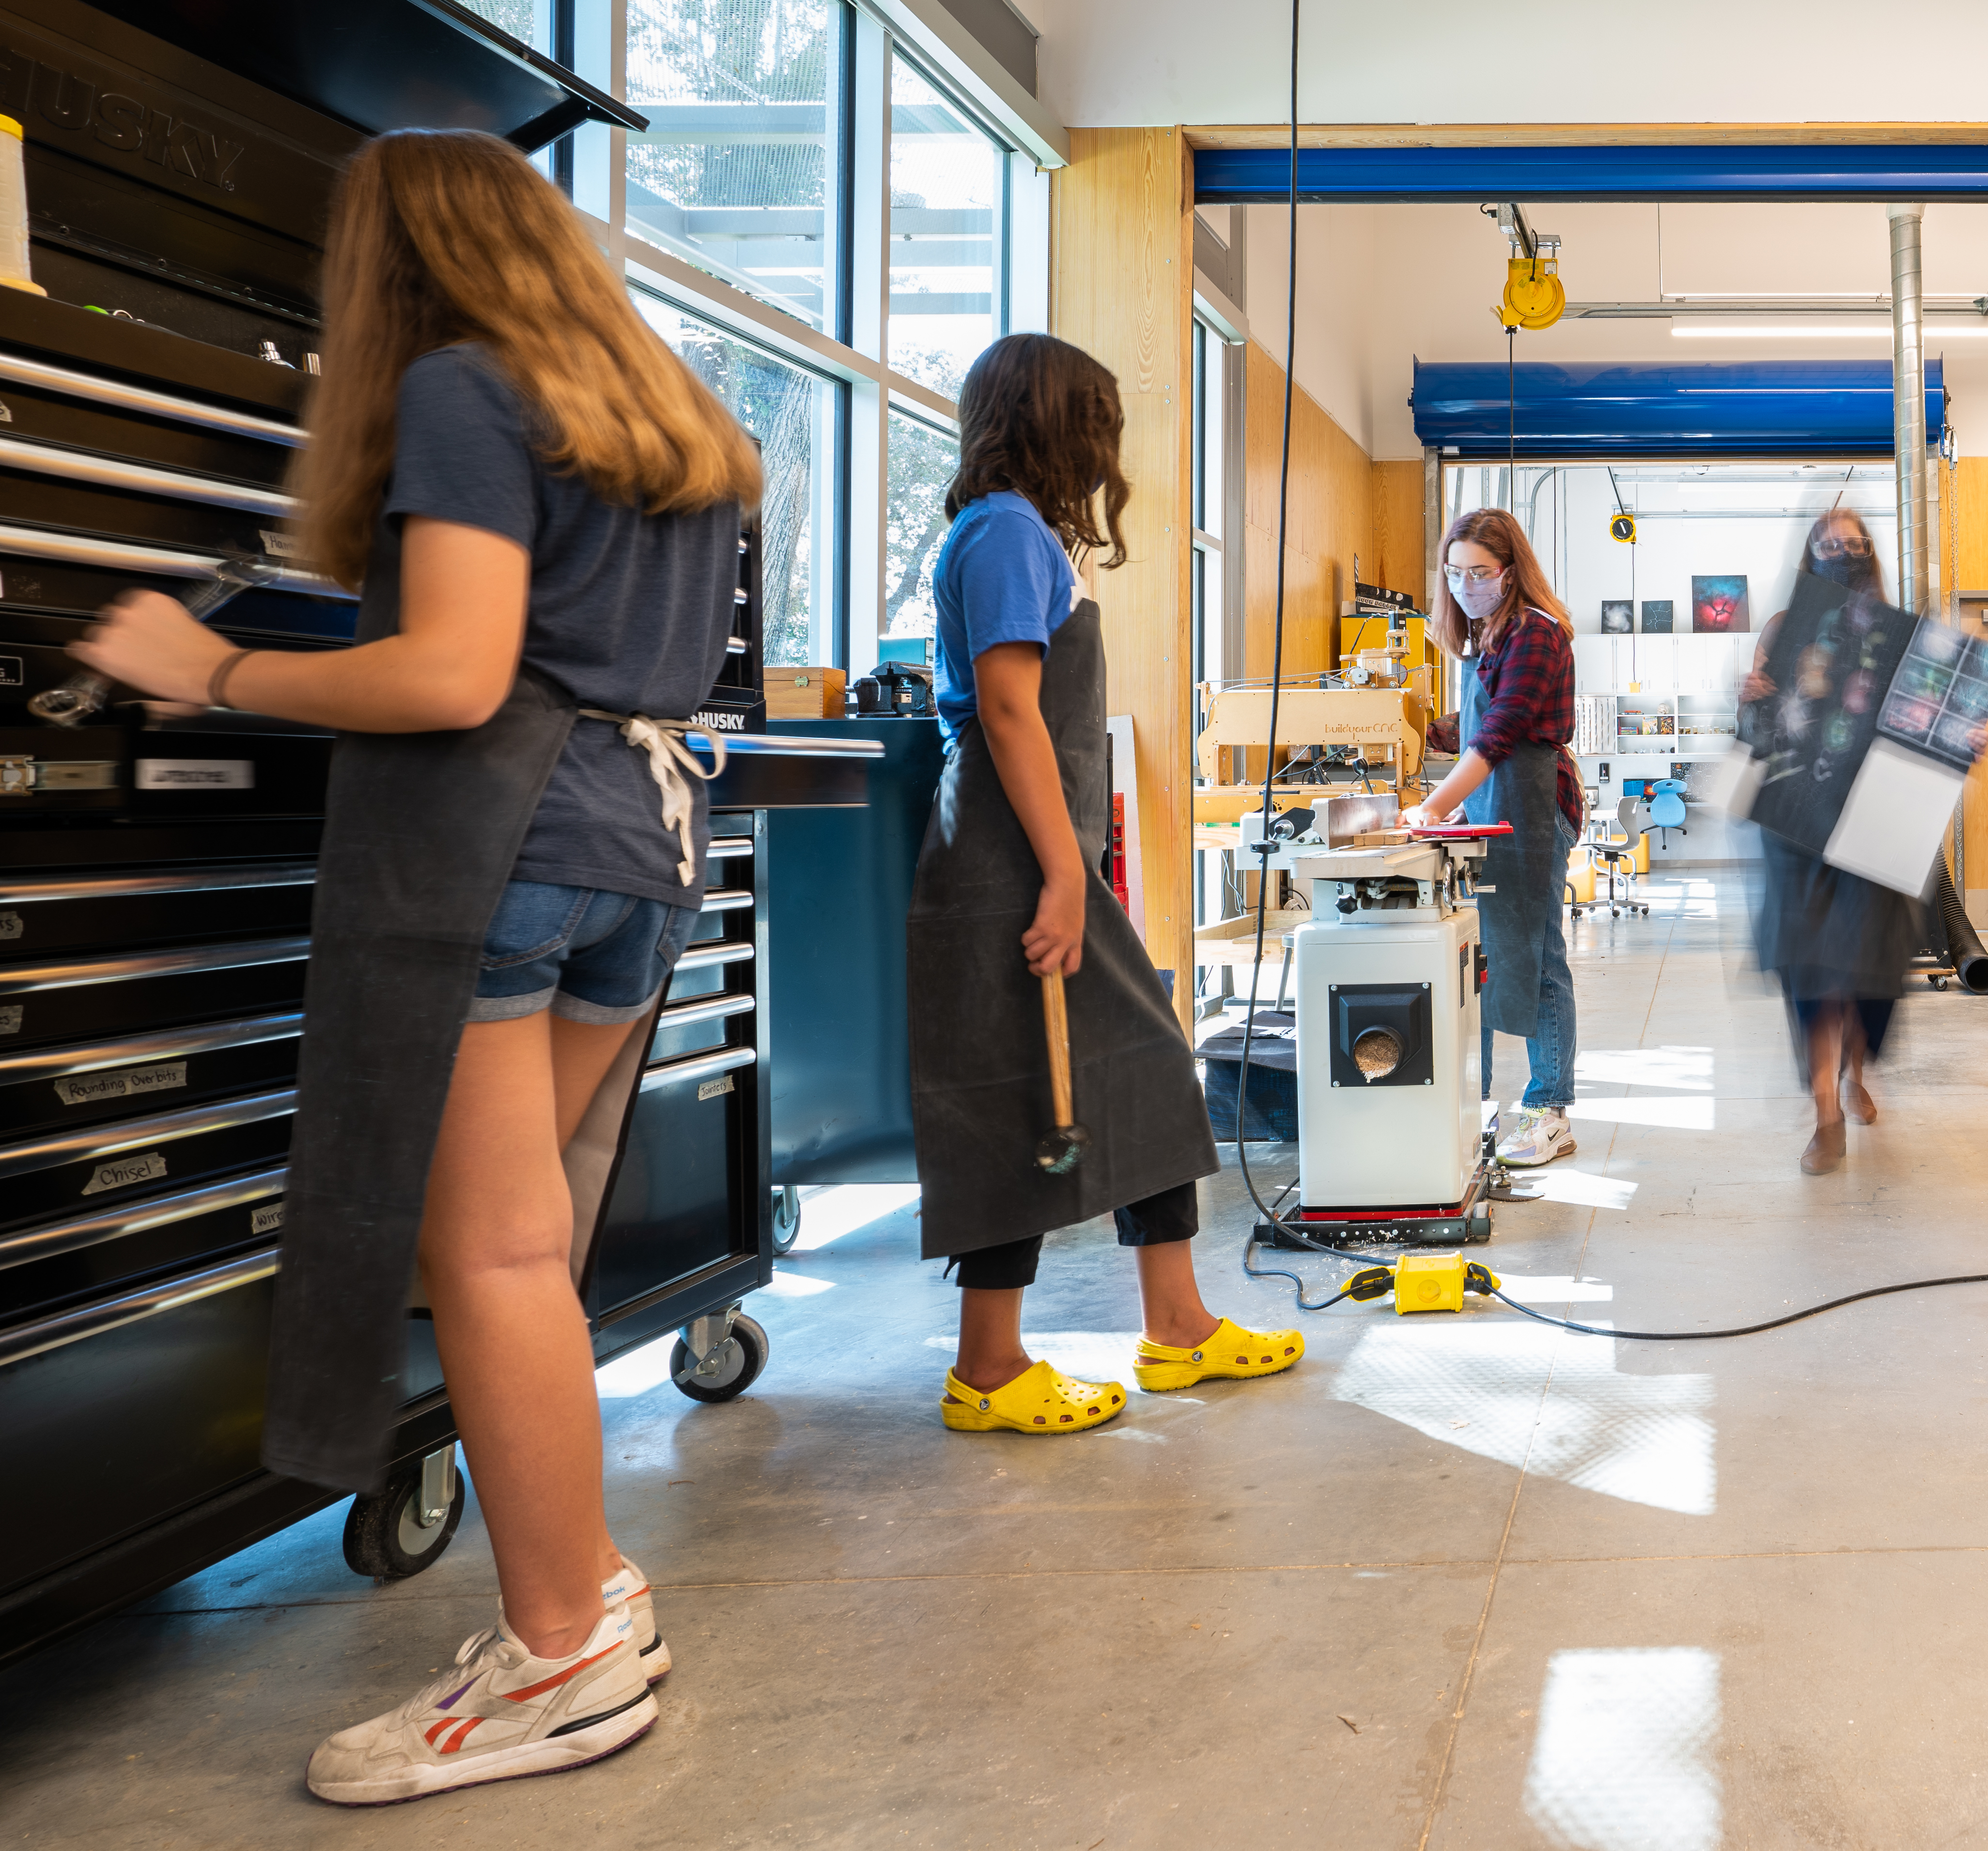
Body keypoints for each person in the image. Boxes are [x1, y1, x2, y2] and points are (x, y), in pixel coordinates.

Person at [73, 130, 758, 1800]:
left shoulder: (466, 386)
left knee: (497, 1261)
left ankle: (562, 1652)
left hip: (501, 850)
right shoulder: (666, 416)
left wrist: (211, 666)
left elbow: (454, 671)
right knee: (531, 1245)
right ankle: (586, 1590)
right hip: (642, 857)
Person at [910, 334, 1302, 1435]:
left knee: (1142, 1063)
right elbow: (1007, 711)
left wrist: (1076, 870)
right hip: (1006, 865)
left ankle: (1175, 1327)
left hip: (1043, 860)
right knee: (1012, 1097)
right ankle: (987, 1368)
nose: (1106, 452)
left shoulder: (1025, 537)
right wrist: (1061, 878)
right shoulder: (1000, 534)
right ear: (1054, 424)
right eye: (1098, 424)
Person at [1739, 508, 1919, 1174]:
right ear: (1810, 556)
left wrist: (1959, 738)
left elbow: (1924, 725)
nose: (1842, 554)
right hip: (1796, 824)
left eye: (1854, 545)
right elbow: (1758, 728)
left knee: (1868, 972)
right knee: (1811, 969)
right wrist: (1751, 694)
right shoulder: (1786, 631)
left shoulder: (1897, 636)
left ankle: (1855, 1072)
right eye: (1829, 545)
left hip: (1874, 825)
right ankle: (1825, 1115)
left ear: (1869, 555)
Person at [1403, 506, 1583, 1168]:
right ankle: (1483, 1104)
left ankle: (1550, 1110)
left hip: (1535, 809)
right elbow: (1478, 726)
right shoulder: (1491, 638)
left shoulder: (1537, 633)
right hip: (1498, 806)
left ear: (1510, 573)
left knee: (1535, 959)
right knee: (1497, 959)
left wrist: (1431, 807)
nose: (1465, 584)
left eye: (1479, 572)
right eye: (1454, 573)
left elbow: (1501, 732)